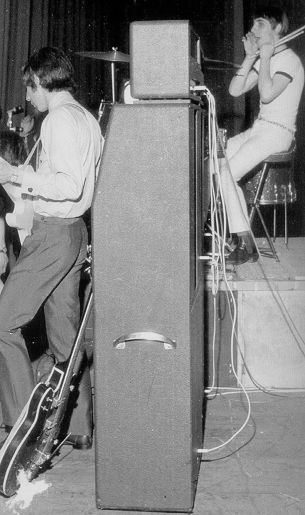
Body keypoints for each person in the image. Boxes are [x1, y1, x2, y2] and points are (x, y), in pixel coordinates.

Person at [0, 47, 103, 448]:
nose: (28, 97)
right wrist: (26, 174)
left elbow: (67, 185)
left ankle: (23, 428)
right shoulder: (85, 117)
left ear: (42, 82)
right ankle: (76, 426)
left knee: (4, 322)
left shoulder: (58, 120)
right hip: (75, 232)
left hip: (54, 234)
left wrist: (14, 176)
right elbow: (69, 180)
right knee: (65, 337)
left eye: (29, 87)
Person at [220, 5, 304, 265]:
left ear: (277, 28)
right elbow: (235, 90)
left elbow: (267, 94)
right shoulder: (265, 57)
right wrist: (250, 57)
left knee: (226, 174)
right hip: (260, 129)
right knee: (217, 163)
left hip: (279, 133)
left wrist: (265, 58)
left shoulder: (289, 60)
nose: (253, 30)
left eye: (260, 24)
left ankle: (246, 244)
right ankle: (236, 234)